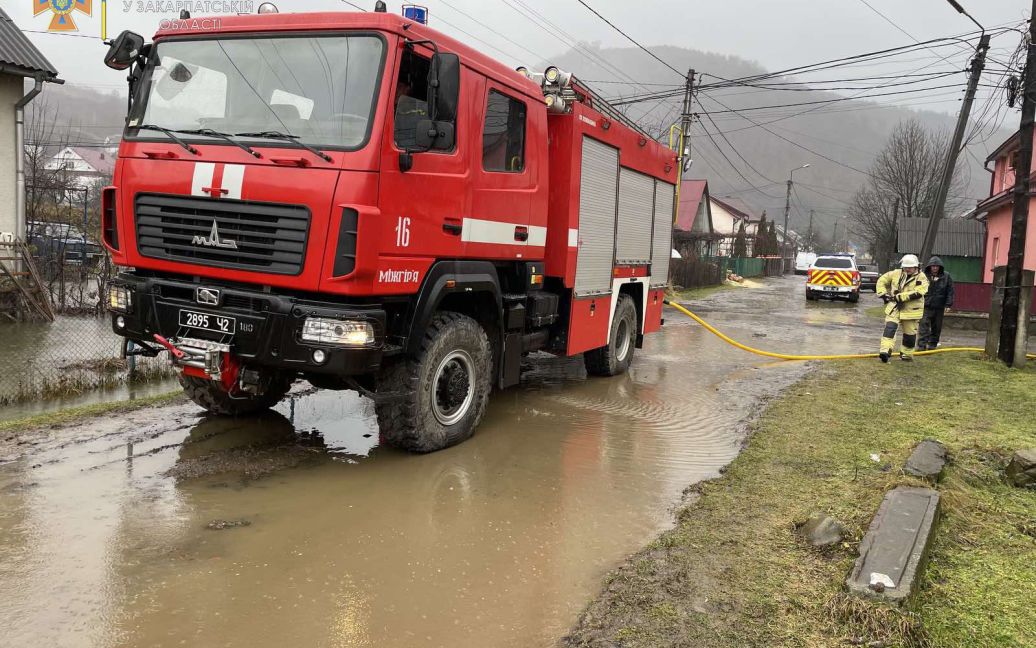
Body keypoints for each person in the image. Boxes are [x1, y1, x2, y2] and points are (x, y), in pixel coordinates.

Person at [876, 254, 929, 363]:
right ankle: (885, 351)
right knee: (889, 329)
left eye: (910, 267)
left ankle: (907, 354)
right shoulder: (896, 273)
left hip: (912, 311)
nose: (907, 269)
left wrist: (899, 297)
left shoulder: (922, 277)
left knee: (909, 335)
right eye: (905, 267)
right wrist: (883, 294)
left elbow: (919, 292)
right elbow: (882, 280)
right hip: (895, 308)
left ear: (916, 267)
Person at [918, 256, 954, 351]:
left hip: (939, 305)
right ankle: (921, 345)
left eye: (936, 266)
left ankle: (932, 344)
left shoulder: (946, 276)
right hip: (926, 305)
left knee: (936, 326)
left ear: (940, 267)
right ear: (929, 266)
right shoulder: (923, 276)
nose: (934, 268)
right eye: (933, 266)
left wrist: (948, 304)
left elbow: (950, 291)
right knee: (923, 325)